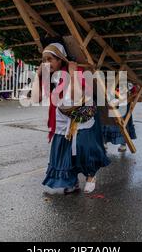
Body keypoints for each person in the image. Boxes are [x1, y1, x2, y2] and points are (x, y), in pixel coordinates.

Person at [32, 43, 110, 195]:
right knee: (64, 152)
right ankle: (71, 181)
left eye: (50, 59)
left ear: (60, 59)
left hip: (82, 118)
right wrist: (38, 75)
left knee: (83, 149)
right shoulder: (49, 76)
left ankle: (91, 176)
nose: (47, 63)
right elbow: (36, 98)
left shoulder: (77, 71)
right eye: (44, 60)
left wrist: (73, 73)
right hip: (62, 121)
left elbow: (76, 97)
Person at [101, 83, 137, 153]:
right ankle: (104, 141)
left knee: (120, 120)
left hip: (119, 94)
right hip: (109, 92)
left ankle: (122, 143)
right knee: (107, 119)